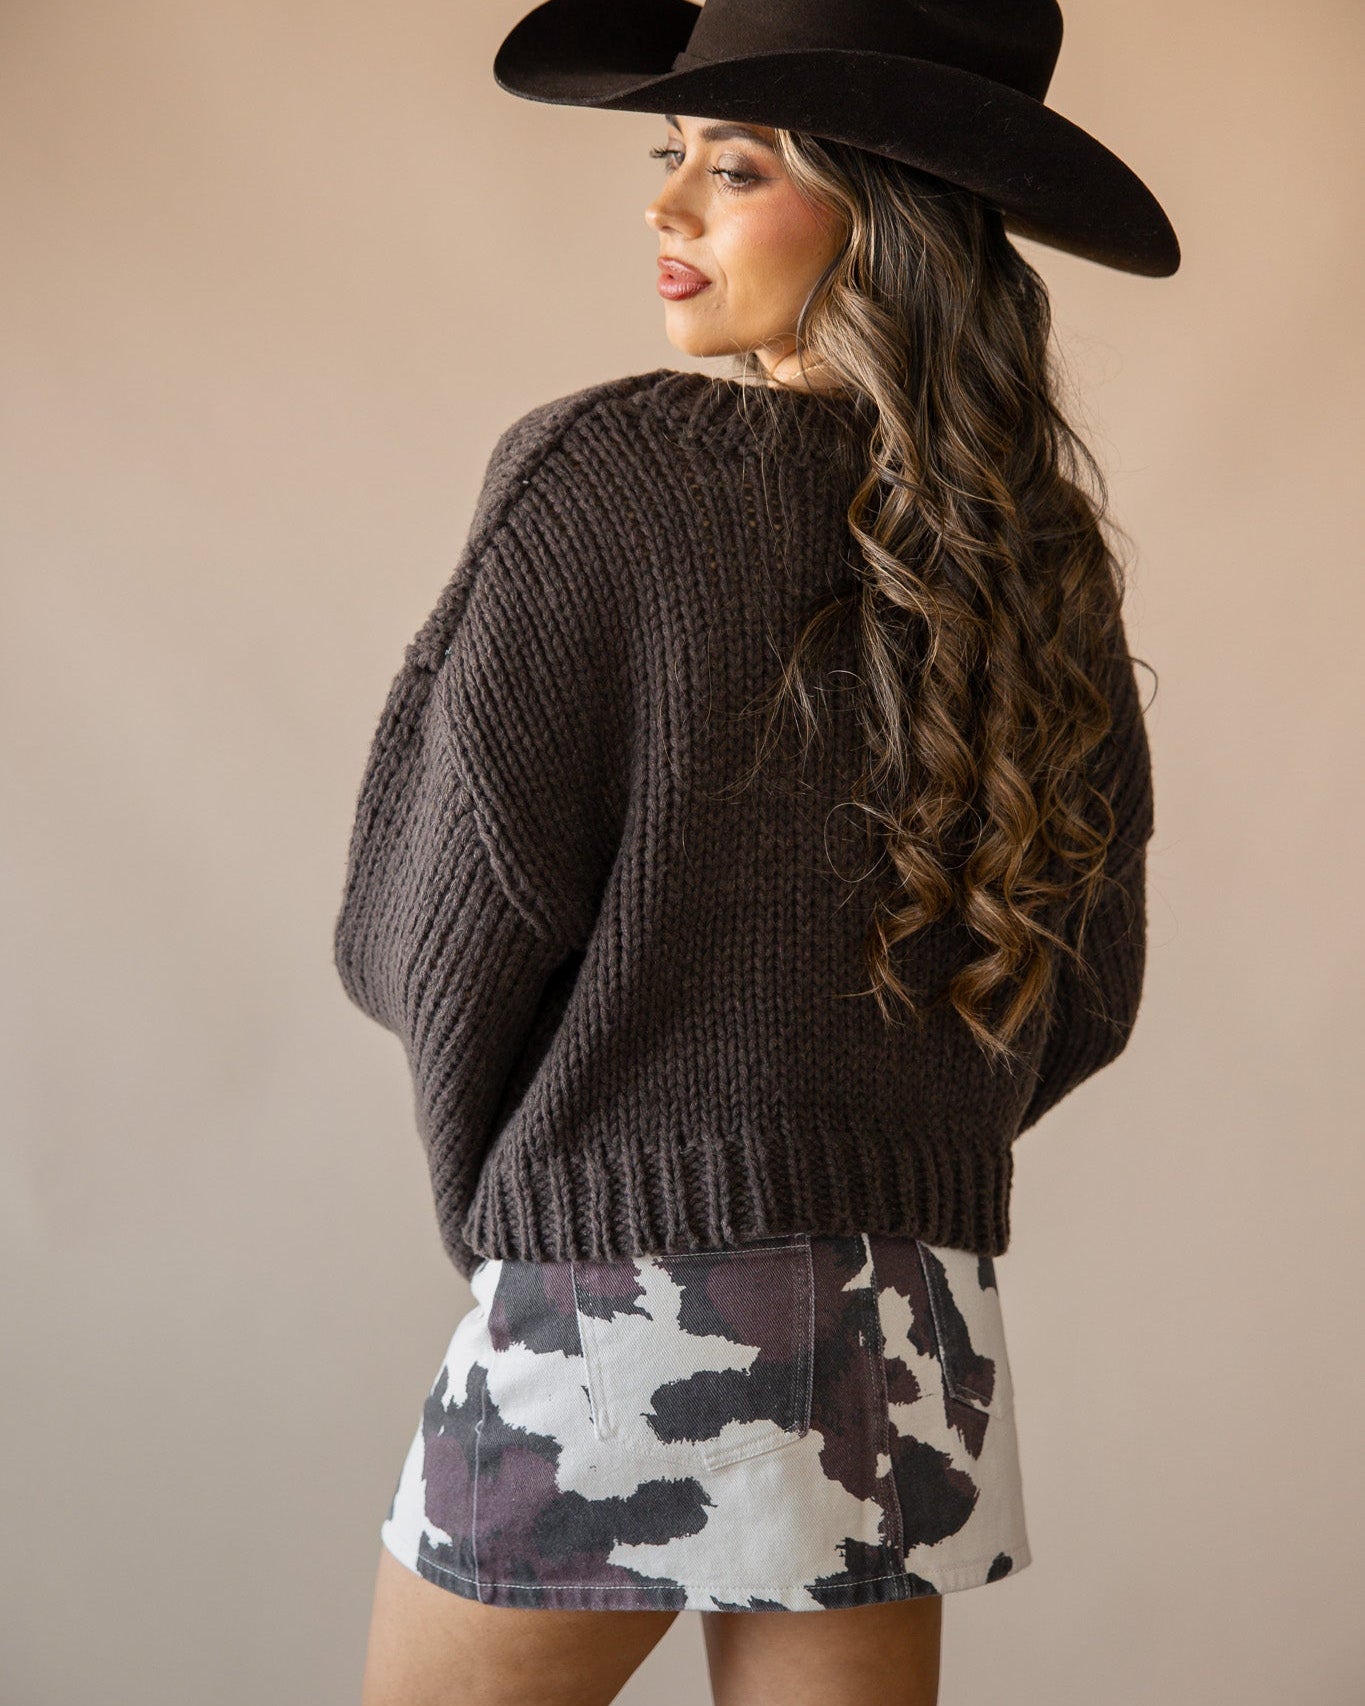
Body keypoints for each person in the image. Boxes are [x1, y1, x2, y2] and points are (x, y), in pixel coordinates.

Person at [337, 2, 1179, 1701]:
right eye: (673, 162)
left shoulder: (607, 471)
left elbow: (425, 915)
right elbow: (1078, 991)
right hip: (905, 1327)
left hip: (621, 1299)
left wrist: (569, 1153)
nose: (666, 211)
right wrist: (884, 1130)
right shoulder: (1037, 549)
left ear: (882, 209)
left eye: (734, 169)